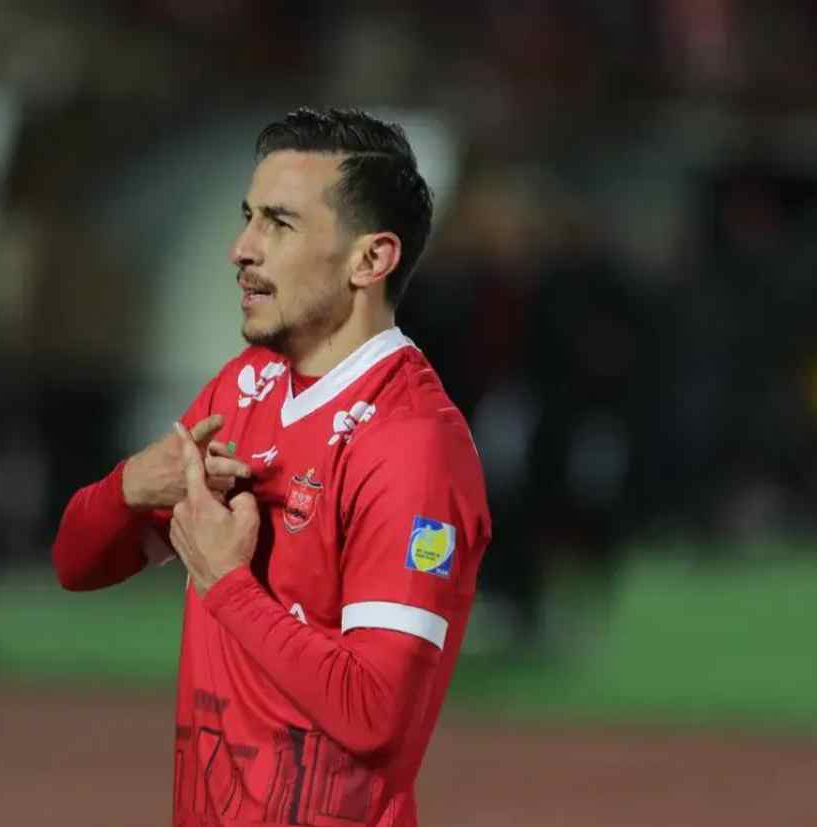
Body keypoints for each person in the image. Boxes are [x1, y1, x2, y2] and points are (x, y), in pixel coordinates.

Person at [52, 107, 491, 827]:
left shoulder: (412, 444)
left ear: (370, 260)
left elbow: (377, 714)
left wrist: (227, 583)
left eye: (280, 224)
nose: (241, 249)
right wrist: (130, 486)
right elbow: (77, 562)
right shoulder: (243, 389)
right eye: (248, 217)